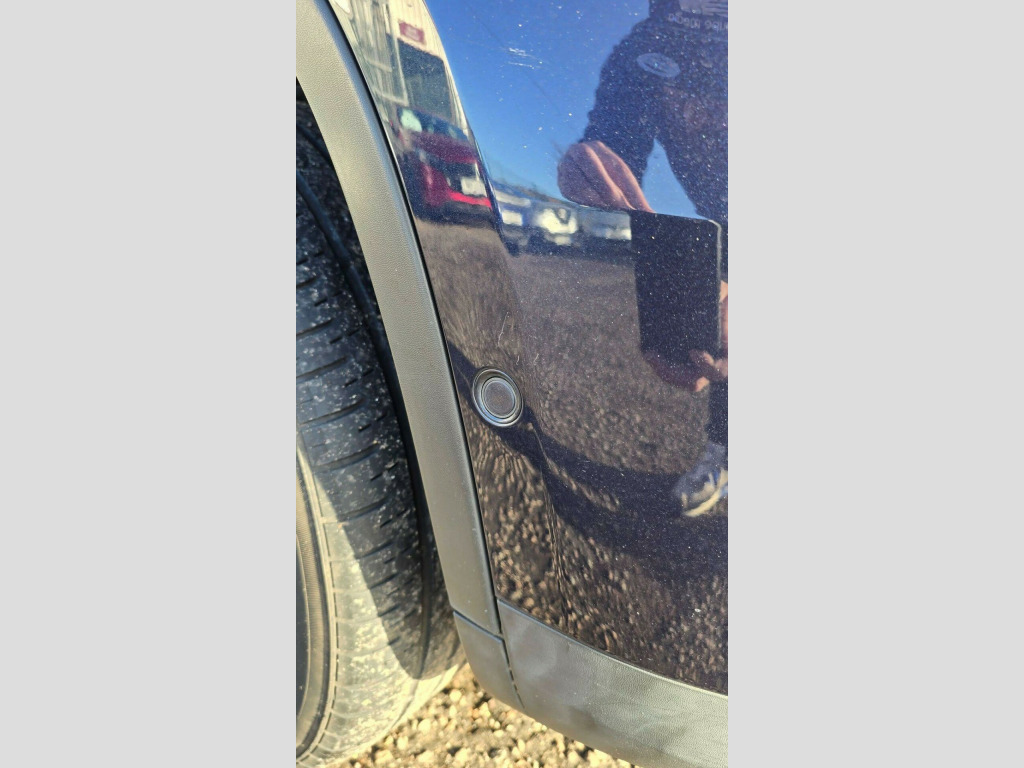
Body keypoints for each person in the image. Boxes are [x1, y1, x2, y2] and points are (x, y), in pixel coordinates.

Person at [557, 0, 728, 516]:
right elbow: (617, 146)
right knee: (718, 339)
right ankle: (725, 449)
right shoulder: (645, 46)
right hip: (718, 218)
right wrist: (586, 170)